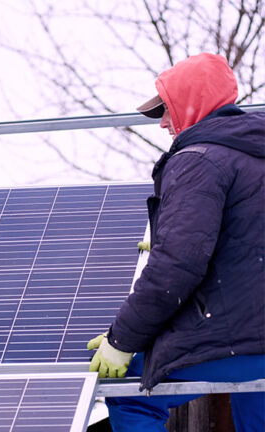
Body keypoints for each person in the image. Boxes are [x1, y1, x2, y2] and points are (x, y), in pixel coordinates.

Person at [87, 53, 265, 431]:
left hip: (244, 338)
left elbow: (176, 267)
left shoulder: (198, 160)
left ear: (195, 102)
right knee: (256, 398)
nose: (165, 123)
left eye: (167, 109)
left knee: (131, 395)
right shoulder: (254, 154)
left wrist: (123, 340)